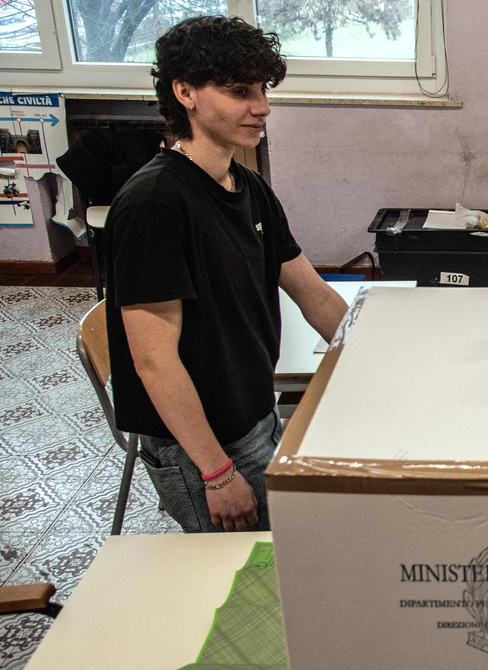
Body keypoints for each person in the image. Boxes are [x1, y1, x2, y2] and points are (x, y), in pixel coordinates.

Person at [104, 16, 348, 533]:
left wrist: (375, 360)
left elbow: (314, 296)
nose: (260, 107)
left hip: (253, 412)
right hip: (204, 444)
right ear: (185, 91)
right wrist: (216, 473)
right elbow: (152, 362)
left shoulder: (248, 186)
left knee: (281, 554)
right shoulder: (154, 204)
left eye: (262, 89)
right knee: (249, 583)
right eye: (239, 91)